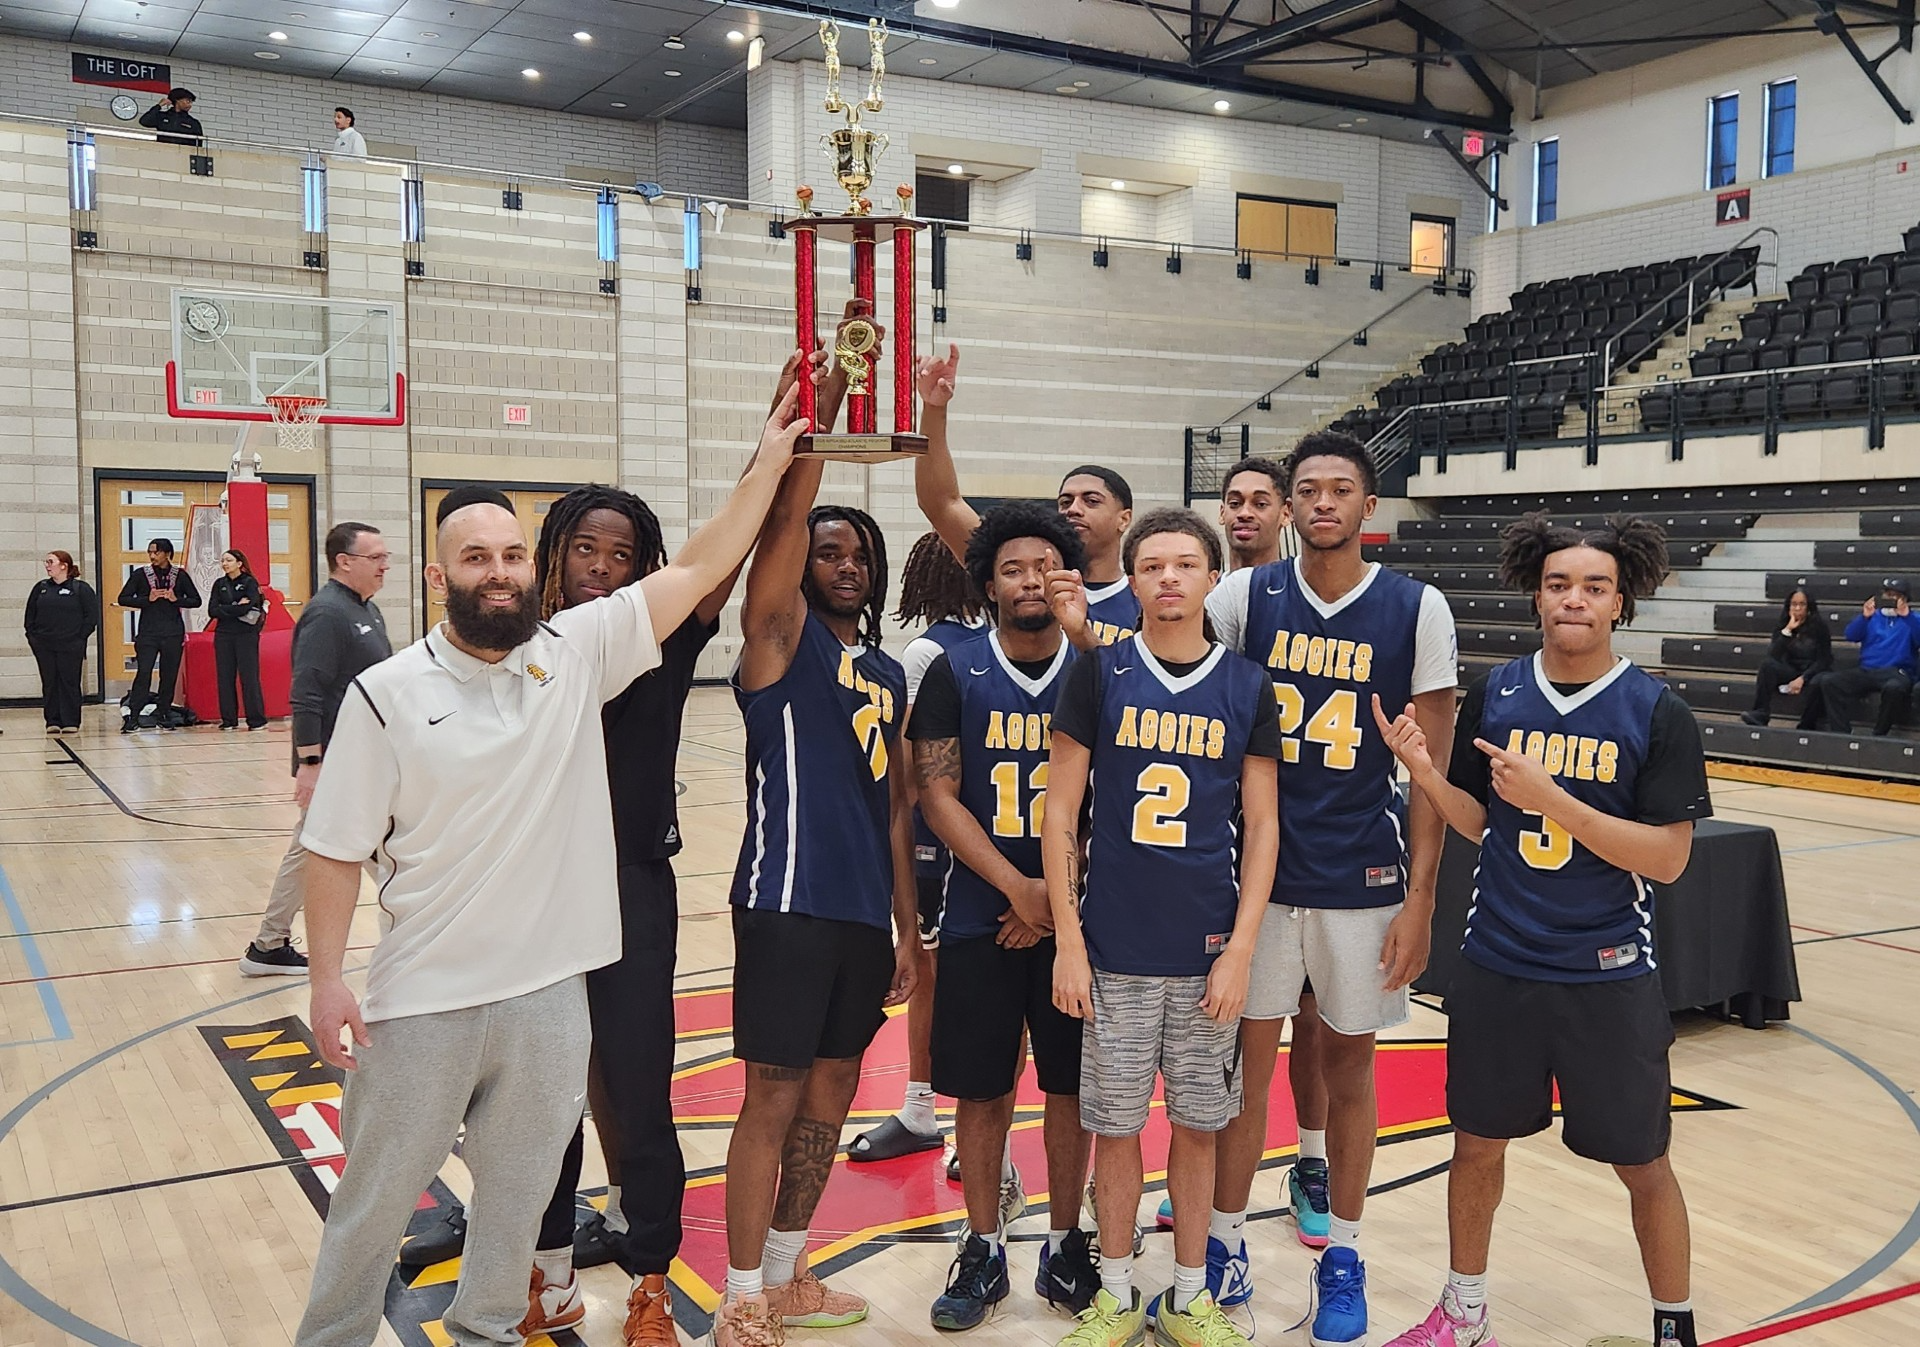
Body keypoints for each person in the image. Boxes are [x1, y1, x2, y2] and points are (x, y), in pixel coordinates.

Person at [289, 393, 805, 1347]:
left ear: (533, 565)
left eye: (511, 554)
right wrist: (326, 980)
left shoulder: (576, 652)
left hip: (548, 992)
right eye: (477, 557)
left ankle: (498, 1325)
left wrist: (770, 461)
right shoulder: (388, 694)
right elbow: (330, 849)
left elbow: (697, 564)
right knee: (372, 1206)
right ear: (440, 572)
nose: (499, 572)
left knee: (519, 1200)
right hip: (426, 996)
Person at [510, 348, 864, 1347]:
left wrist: (791, 432)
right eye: (588, 548)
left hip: (629, 886)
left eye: (625, 554)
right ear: (555, 555)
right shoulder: (516, 647)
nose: (606, 568)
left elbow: (746, 539)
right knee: (542, 1094)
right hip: (527, 893)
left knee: (635, 1083)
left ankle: (651, 1283)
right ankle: (544, 1276)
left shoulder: (656, 635)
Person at [1373, 512, 1711, 1347]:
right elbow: (1481, 821)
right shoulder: (1498, 690)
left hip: (1608, 973)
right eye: (1559, 584)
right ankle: (1464, 1314)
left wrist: (1554, 797)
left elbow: (1667, 860)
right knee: (1476, 1147)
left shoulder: (1658, 711)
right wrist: (1421, 770)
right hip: (1497, 966)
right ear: (1536, 594)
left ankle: (1674, 1326)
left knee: (1644, 1164)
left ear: (1619, 600)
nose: (1575, 599)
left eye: (1594, 587)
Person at [1201, 432, 1457, 1345]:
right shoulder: (1241, 595)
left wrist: (1422, 900)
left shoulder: (1418, 607)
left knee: (1349, 1071)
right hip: (1255, 880)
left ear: (1367, 507)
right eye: (1305, 489)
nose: (1320, 503)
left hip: (1364, 877)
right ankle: (1224, 1238)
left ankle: (1343, 1251)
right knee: (1243, 1073)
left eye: (1339, 489)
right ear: (1286, 505)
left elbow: (1432, 768)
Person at [1045, 507, 1281, 1347]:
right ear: (1133, 580)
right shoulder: (1100, 674)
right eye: (1153, 566)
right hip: (1111, 949)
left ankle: (1188, 1293)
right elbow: (1061, 811)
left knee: (1198, 1126)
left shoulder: (1247, 685)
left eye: (1186, 564)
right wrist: (1069, 942)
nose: (1170, 578)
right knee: (1113, 1126)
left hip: (1206, 951)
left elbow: (1263, 826)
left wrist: (1243, 949)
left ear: (1213, 579)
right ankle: (1115, 1292)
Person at [714, 394, 921, 1347]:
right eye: (828, 551)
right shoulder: (778, 644)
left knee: (832, 1100)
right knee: (773, 1097)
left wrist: (906, 932)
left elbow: (894, 810)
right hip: (784, 905)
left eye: (859, 555)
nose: (844, 565)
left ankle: (792, 1271)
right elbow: (784, 523)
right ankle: (742, 1292)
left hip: (860, 920)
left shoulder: (884, 672)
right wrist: (817, 418)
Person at [909, 502, 1100, 1330]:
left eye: (1045, 566)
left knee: (1069, 1086)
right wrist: (1017, 888)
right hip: (981, 912)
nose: (1030, 580)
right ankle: (983, 1244)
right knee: (983, 1091)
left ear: (1070, 577)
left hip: (1080, 920)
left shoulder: (1099, 669)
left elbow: (1119, 798)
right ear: (988, 582)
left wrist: (1052, 896)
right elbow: (936, 795)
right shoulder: (956, 668)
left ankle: (1065, 1242)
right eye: (1013, 568)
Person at [1156, 453, 1337, 1246]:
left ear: (1286, 513)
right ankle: (1206, 1179)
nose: (1246, 513)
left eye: (1262, 500)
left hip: (1318, 835)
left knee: (1316, 1026)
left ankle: (1311, 1160)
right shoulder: (1214, 597)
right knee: (1229, 1026)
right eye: (1233, 501)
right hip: (1221, 838)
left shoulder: (1311, 595)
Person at [848, 533, 987, 1166]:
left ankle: (929, 1111)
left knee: (940, 981)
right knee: (975, 988)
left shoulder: (930, 649)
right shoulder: (996, 641)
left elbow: (903, 770)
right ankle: (948, 1122)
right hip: (994, 840)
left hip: (942, 838)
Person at [238, 523, 391, 977]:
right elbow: (306, 691)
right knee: (360, 845)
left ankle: (268, 944)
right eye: (376, 557)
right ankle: (417, 929)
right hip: (333, 759)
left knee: (318, 846)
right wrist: (310, 762)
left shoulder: (368, 610)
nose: (385, 565)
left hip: (363, 755)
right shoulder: (327, 614)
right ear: (345, 561)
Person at [909, 345, 1139, 648]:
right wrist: (934, 409)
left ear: (1125, 518)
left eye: (1091, 500)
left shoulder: (1145, 593)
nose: (1074, 509)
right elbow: (941, 504)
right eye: (1065, 502)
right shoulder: (1021, 573)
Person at [117, 538, 201, 732]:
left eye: (156, 552)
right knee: (144, 672)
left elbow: (195, 600)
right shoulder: (140, 575)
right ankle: (134, 716)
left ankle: (164, 713)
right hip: (148, 633)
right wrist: (148, 599)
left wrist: (176, 599)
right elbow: (123, 598)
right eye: (150, 552)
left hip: (172, 632)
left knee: (168, 674)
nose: (152, 556)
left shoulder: (179, 575)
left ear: (167, 554)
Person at [1821, 577, 1920, 736]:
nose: (1890, 599)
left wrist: (1906, 616)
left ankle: (1879, 734)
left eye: (1896, 596)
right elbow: (1851, 635)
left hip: (1897, 671)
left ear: (1905, 599)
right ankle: (1841, 733)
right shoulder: (1873, 617)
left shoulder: (1914, 619)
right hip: (1868, 670)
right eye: (1887, 595)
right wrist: (1864, 617)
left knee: (1894, 688)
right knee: (1829, 681)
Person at [26, 551, 97, 734]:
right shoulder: (40, 588)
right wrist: (34, 639)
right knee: (49, 682)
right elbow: (30, 618)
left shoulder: (80, 588)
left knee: (69, 682)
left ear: (64, 565)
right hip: (44, 645)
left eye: (51, 562)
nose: (47, 565)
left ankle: (71, 720)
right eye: (46, 562)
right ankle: (53, 720)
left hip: (70, 645)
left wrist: (79, 638)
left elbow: (91, 617)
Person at [1740, 588, 1830, 729]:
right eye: (1794, 604)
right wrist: (1787, 631)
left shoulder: (1820, 627)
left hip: (1812, 672)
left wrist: (1803, 678)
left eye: (1802, 604)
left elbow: (1824, 660)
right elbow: (1773, 654)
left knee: (1819, 682)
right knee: (1767, 666)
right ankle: (1760, 713)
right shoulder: (1783, 626)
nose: (1797, 608)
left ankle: (1807, 724)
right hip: (1791, 670)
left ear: (1809, 607)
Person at [208, 548, 269, 731]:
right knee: (225, 677)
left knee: (249, 677)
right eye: (223, 561)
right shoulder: (219, 584)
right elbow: (212, 610)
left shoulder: (250, 582)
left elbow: (249, 607)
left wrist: (226, 609)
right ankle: (229, 720)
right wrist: (235, 607)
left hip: (246, 634)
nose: (225, 564)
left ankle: (256, 720)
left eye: (229, 560)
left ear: (239, 563)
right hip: (224, 634)